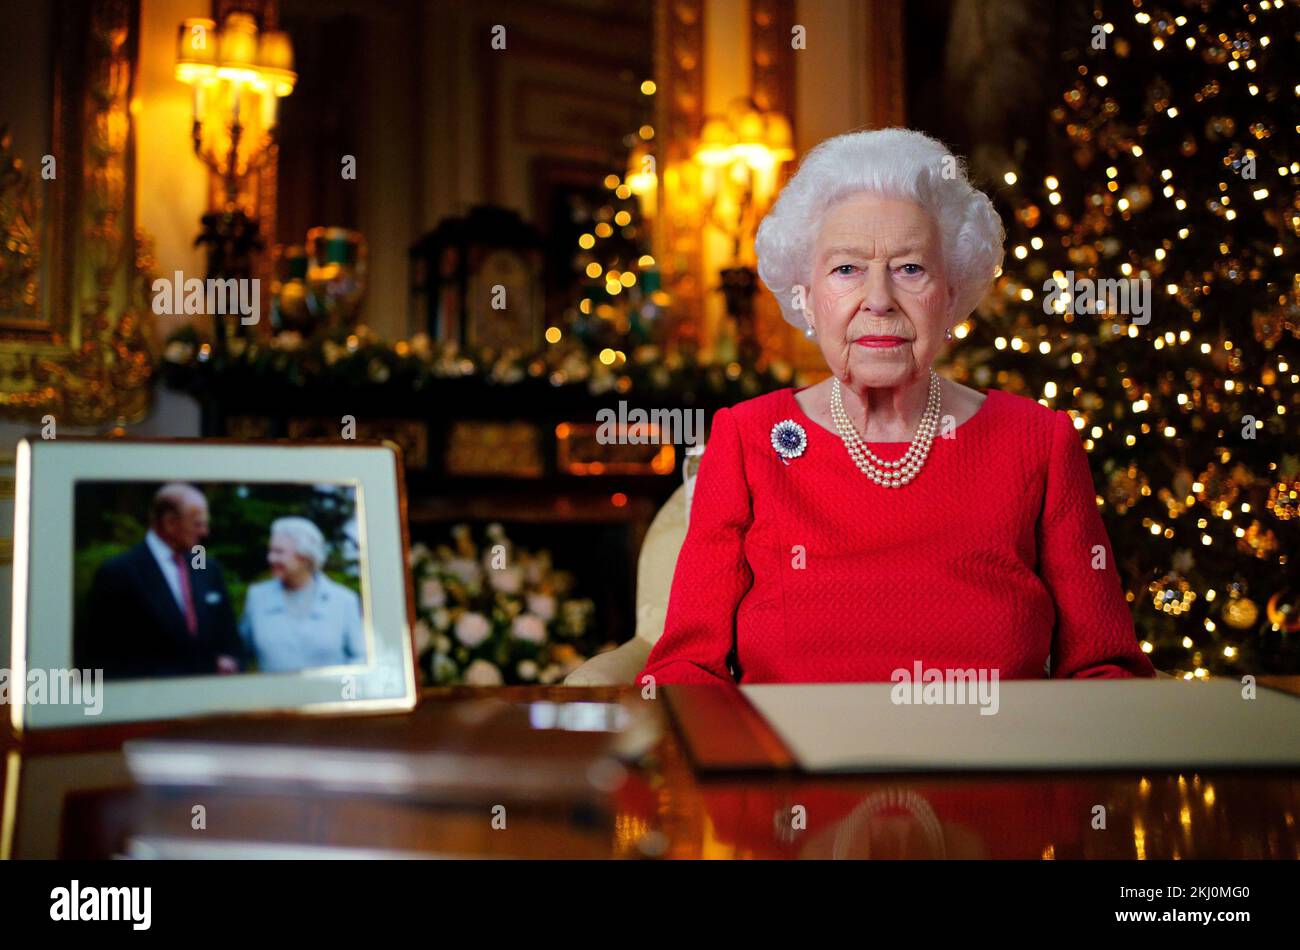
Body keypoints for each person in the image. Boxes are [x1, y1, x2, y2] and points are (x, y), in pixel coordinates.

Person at [638, 128, 1156, 685]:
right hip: (794, 766)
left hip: (991, 765)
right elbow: (685, 670)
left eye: (910, 268)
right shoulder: (748, 438)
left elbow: (1105, 667)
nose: (880, 299)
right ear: (806, 297)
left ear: (951, 295)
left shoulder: (1036, 440)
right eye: (846, 269)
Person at [80, 483, 243, 679]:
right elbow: (100, 658)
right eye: (198, 524)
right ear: (170, 523)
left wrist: (232, 662)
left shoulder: (205, 566)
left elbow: (230, 638)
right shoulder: (119, 573)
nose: (205, 532)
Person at [240, 516, 366, 672]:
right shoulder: (257, 597)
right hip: (273, 696)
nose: (271, 558)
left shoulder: (344, 600)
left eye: (279, 552)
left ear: (305, 557)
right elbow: (239, 654)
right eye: (271, 551)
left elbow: (360, 658)